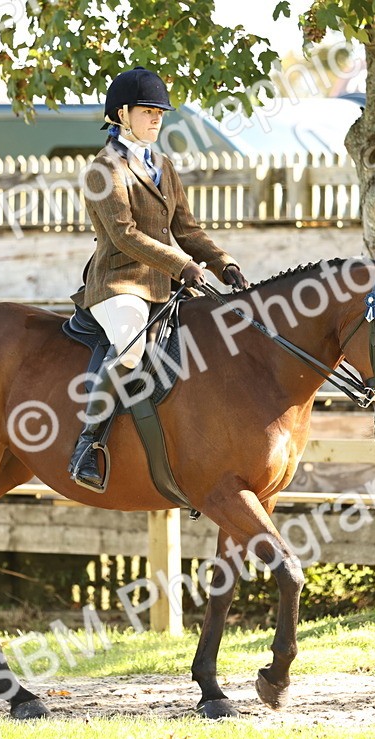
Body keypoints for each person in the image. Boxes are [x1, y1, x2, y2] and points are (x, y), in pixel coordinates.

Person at [68, 66, 250, 492]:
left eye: (160, 113)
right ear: (121, 114)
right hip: (120, 283)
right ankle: (87, 445)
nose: (156, 119)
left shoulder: (163, 165)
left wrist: (224, 263)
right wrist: (182, 267)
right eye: (148, 111)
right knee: (131, 352)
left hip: (165, 284)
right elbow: (124, 234)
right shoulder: (102, 170)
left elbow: (186, 229)